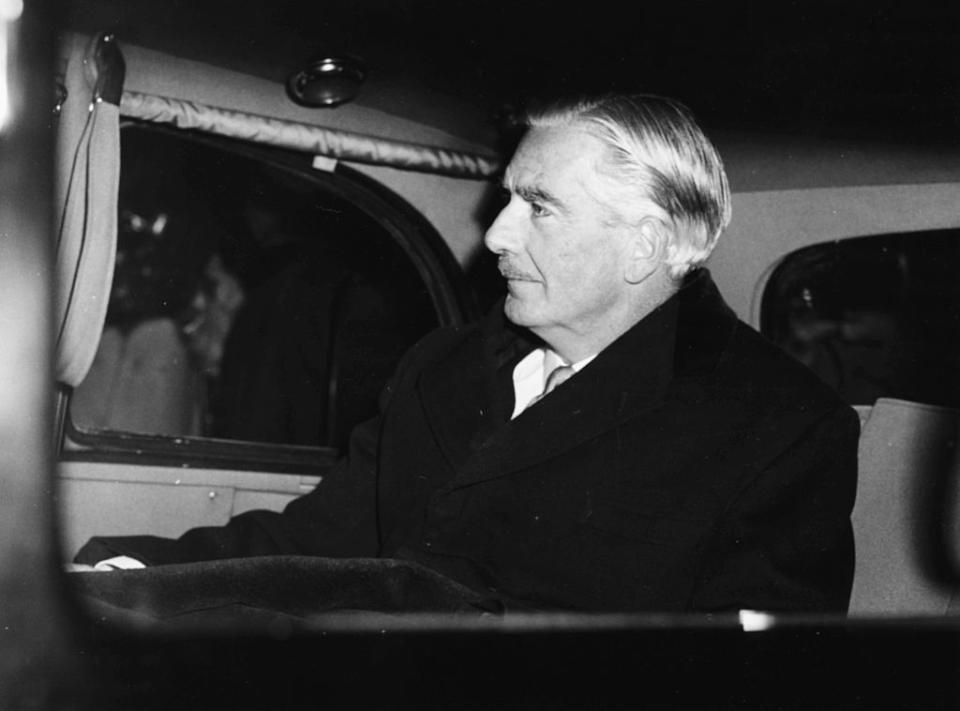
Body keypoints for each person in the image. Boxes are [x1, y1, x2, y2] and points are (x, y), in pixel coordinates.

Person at [74, 94, 858, 614]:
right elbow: (319, 535)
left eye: (537, 206)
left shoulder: (780, 424)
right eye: (508, 196)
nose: (495, 234)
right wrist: (125, 575)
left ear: (643, 246)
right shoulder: (442, 365)